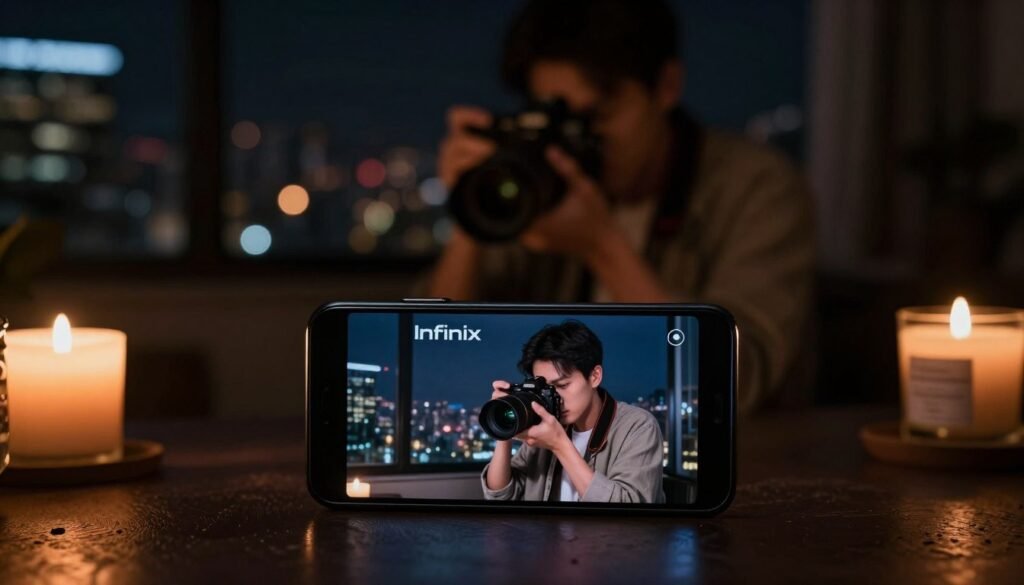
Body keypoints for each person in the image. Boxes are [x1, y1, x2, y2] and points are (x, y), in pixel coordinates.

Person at [428, 0, 815, 413]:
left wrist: (600, 245)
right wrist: (474, 206)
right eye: (554, 117)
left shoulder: (757, 188)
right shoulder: (541, 190)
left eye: (596, 115)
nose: (576, 140)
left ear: (666, 86)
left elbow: (740, 380)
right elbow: (432, 345)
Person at [482, 320, 665, 503]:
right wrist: (505, 429)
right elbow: (500, 496)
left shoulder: (638, 426)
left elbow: (630, 510)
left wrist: (559, 445)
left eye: (562, 385)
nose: (555, 397)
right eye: (546, 389)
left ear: (595, 376)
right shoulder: (545, 423)